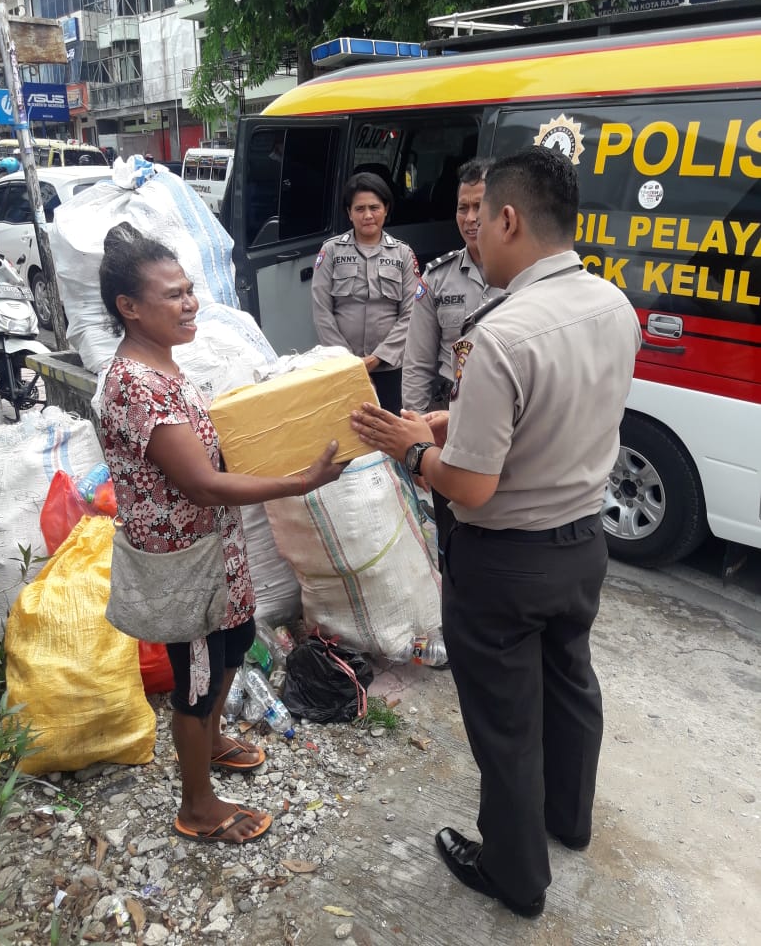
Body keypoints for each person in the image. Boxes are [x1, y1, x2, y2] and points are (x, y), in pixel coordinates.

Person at [351, 147, 641, 917]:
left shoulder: (502, 335)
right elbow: (561, 409)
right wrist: (452, 417)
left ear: (509, 218)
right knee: (571, 682)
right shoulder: (615, 306)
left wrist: (410, 447)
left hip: (505, 561)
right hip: (582, 544)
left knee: (506, 722)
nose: (474, 235)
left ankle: (516, 875)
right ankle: (568, 821)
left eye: (485, 220)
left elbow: (470, 482)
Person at [98, 222, 344, 845]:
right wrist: (296, 482)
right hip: (187, 564)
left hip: (220, 554)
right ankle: (198, 806)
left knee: (231, 649)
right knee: (196, 684)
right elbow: (203, 485)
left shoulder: (166, 367)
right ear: (129, 308)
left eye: (190, 290)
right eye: (173, 295)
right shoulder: (136, 386)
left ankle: (206, 745)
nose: (190, 304)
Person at [401, 157, 503, 562]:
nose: (471, 218)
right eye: (464, 207)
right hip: (446, 413)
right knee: (450, 523)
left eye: (481, 206)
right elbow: (418, 362)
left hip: (501, 413)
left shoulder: (523, 276)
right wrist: (412, 436)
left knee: (496, 514)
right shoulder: (437, 278)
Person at [312, 171, 419, 414]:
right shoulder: (331, 251)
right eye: (359, 209)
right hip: (341, 367)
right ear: (349, 213)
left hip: (390, 368)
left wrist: (376, 358)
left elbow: (411, 314)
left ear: (386, 209)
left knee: (391, 432)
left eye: (374, 207)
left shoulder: (402, 254)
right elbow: (322, 312)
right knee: (348, 435)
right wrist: (349, 363)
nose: (368, 215)